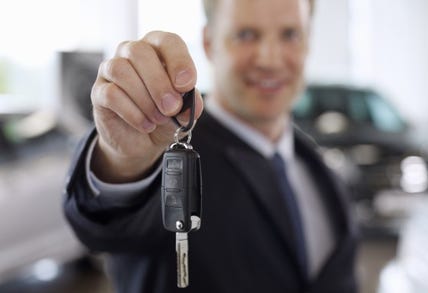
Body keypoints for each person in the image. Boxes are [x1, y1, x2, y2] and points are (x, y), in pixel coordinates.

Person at [63, 0, 358, 292]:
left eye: (290, 35)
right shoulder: (161, 146)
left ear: (308, 42)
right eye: (246, 35)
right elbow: (111, 225)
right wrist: (123, 162)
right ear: (208, 42)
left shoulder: (322, 172)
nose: (270, 59)